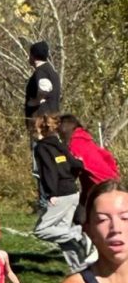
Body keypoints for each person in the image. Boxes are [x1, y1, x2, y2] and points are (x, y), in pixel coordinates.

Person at [32, 113, 94, 272]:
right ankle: (79, 269)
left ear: (40, 129)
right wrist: (70, 178)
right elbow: (76, 164)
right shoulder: (59, 144)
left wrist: (51, 193)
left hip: (60, 194)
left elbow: (49, 171)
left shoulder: (41, 147)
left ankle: (79, 235)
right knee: (63, 236)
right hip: (72, 192)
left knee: (41, 230)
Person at [58, 115, 120, 217]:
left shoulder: (76, 143)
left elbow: (75, 167)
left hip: (103, 185)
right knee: (81, 216)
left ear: (65, 126)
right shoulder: (84, 139)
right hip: (94, 185)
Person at [25, 42, 61, 206]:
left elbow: (44, 87)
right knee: (51, 159)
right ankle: (53, 197)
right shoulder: (52, 71)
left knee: (40, 161)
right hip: (51, 120)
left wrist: (36, 101)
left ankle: (45, 201)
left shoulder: (42, 72)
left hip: (41, 122)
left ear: (32, 55)